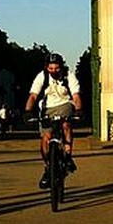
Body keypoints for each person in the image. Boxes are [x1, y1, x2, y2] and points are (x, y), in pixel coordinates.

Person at [25, 53, 82, 190]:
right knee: (46, 137)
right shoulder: (42, 76)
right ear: (46, 68)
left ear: (61, 67)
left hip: (64, 105)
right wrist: (27, 111)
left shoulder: (69, 76)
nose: (54, 71)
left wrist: (79, 109)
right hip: (47, 108)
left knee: (66, 124)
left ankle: (67, 155)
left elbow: (75, 95)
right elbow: (33, 95)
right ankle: (47, 168)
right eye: (51, 68)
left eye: (56, 68)